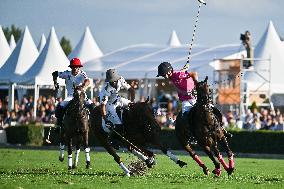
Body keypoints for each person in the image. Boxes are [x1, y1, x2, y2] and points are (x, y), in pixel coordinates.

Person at [156, 62, 232, 140]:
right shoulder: (171, 78)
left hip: (194, 98)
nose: (163, 76)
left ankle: (222, 130)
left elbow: (191, 74)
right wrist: (185, 68)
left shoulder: (177, 74)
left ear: (168, 71)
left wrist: (194, 85)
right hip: (185, 100)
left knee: (213, 110)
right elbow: (180, 80)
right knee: (184, 116)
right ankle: (191, 135)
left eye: (163, 74)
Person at [52, 57, 93, 131]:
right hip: (70, 96)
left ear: (79, 67)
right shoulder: (67, 73)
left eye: (76, 67)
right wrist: (55, 82)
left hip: (81, 96)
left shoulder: (82, 73)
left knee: (93, 106)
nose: (75, 69)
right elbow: (54, 73)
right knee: (60, 107)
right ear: (71, 67)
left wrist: (83, 87)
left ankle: (93, 124)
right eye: (73, 67)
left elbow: (88, 81)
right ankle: (59, 125)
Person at [99, 69, 135, 133]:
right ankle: (113, 140)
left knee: (135, 107)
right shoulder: (105, 89)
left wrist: (132, 102)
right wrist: (106, 120)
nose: (113, 82)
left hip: (118, 99)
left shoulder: (121, 79)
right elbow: (102, 106)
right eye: (111, 81)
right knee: (119, 125)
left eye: (114, 80)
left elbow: (132, 90)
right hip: (109, 105)